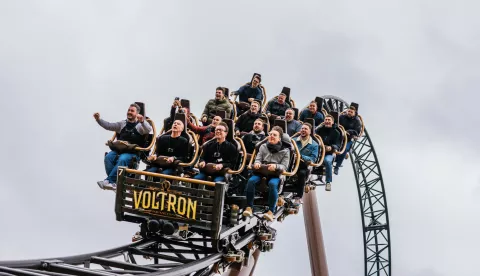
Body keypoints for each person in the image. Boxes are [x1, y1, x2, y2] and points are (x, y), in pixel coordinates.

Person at [95, 103, 152, 190]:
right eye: (129, 110)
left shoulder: (140, 126)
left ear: (137, 114)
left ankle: (110, 181)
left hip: (132, 153)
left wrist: (142, 121)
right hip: (120, 150)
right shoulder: (122, 124)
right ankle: (115, 182)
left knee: (122, 158)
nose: (129, 112)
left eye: (132, 111)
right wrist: (98, 119)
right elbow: (109, 126)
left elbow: (148, 129)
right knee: (108, 157)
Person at [243, 126, 290, 222]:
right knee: (251, 181)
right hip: (262, 172)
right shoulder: (263, 146)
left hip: (275, 174)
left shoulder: (285, 150)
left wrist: (276, 166)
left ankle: (271, 211)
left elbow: (284, 166)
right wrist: (257, 163)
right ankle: (249, 207)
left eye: (274, 135)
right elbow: (258, 159)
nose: (272, 136)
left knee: (273, 184)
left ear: (279, 138)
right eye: (270, 134)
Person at [293, 123, 319, 204]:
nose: (303, 130)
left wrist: (301, 157)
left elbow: (313, 159)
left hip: (303, 165)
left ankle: (299, 196)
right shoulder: (293, 140)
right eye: (302, 128)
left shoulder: (314, 145)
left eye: (305, 129)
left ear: (310, 132)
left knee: (302, 173)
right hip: (291, 163)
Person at [315, 115, 341, 191]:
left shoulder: (336, 132)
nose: (327, 121)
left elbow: (338, 145)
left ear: (332, 122)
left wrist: (332, 147)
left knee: (328, 161)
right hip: (319, 151)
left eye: (329, 120)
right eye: (326, 120)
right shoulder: (320, 129)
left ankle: (328, 182)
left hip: (329, 153)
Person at [334, 105, 362, 174]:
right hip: (339, 136)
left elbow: (357, 132)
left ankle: (337, 166)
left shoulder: (357, 121)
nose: (349, 113)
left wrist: (349, 132)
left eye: (351, 112)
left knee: (344, 150)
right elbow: (335, 123)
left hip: (348, 139)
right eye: (348, 111)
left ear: (354, 113)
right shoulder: (342, 117)